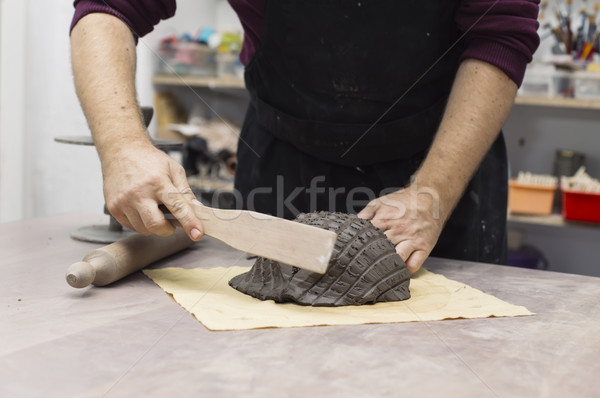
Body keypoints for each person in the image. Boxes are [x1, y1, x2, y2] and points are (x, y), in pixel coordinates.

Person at [70, 0, 540, 274]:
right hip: (284, 153)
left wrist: (433, 190)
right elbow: (109, 9)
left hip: (441, 155)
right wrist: (124, 146)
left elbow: (499, 34)